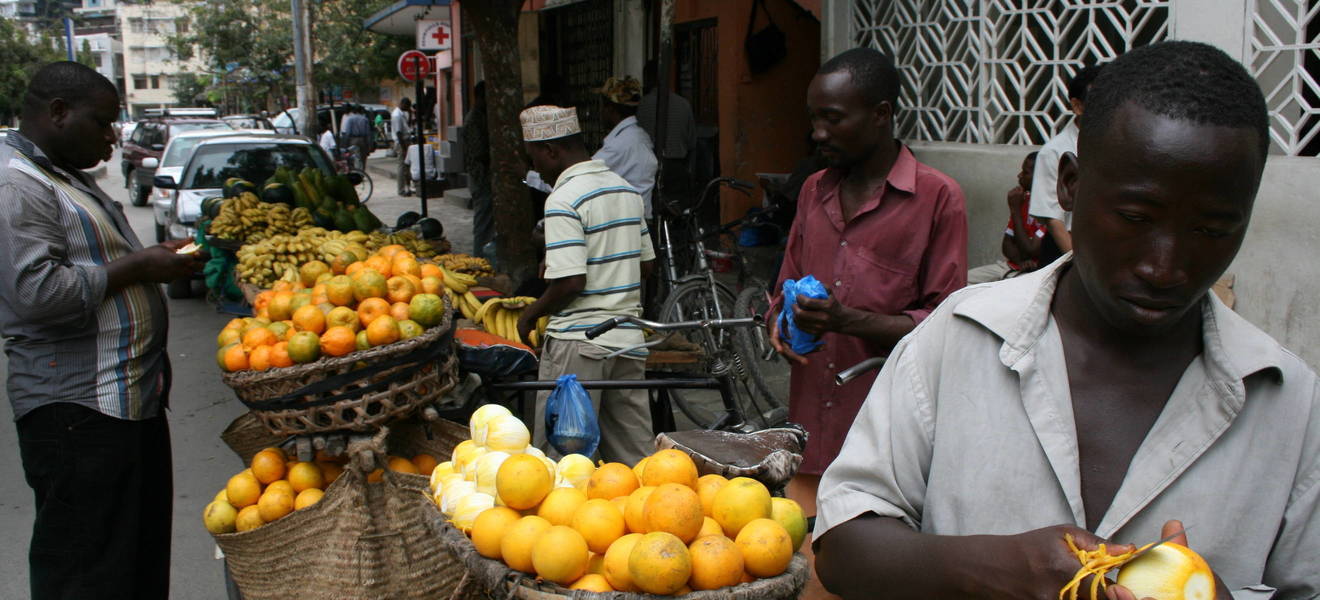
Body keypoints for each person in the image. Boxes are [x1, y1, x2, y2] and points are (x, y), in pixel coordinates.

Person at [814, 41, 1320, 599]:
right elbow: (841, 547)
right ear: (1070, 186)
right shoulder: (957, 336)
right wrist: (993, 568)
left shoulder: (1290, 404)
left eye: (1212, 230)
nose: (1164, 266)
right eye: (1135, 216)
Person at [767, 47, 968, 599]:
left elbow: (946, 326)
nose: (818, 133)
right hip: (811, 434)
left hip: (887, 448)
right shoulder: (814, 190)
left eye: (833, 118)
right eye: (814, 117)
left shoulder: (937, 198)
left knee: (861, 581)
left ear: (880, 114)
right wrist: (779, 323)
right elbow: (784, 286)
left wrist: (847, 320)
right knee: (795, 577)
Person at [0, 61, 204, 600]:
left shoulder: (62, 174)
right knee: (86, 568)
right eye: (103, 122)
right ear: (59, 113)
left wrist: (153, 260)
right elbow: (38, 294)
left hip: (122, 403)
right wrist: (141, 267)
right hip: (78, 414)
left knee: (129, 558)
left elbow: (91, 261)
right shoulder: (17, 184)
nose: (113, 137)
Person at [516, 105, 656, 466]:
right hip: (627, 340)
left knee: (562, 463)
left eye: (534, 157)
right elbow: (647, 264)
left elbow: (571, 282)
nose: (535, 168)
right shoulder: (625, 190)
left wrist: (530, 315)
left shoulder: (562, 200)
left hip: (578, 349)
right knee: (636, 461)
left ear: (551, 151)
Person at [1029, 64, 1103, 264]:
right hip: (1066, 250)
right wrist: (1079, 264)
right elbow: (1054, 220)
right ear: (1078, 106)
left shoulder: (1121, 144)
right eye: (1099, 102)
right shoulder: (1054, 151)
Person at [967, 151, 1045, 283]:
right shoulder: (1023, 200)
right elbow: (1006, 245)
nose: (1019, 176)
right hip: (1012, 266)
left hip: (1034, 273)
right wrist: (1021, 262)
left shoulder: (1050, 207)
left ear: (1038, 177)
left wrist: (1015, 210)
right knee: (962, 280)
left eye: (1025, 173)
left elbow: (1031, 250)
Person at [594, 75, 658, 219]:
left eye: (602, 107)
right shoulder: (637, 136)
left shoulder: (622, 143)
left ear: (609, 109)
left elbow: (581, 177)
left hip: (627, 222)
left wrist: (534, 178)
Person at [637, 60, 698, 201]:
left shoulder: (642, 105)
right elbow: (692, 144)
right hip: (677, 169)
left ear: (648, 78)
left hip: (648, 168)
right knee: (677, 211)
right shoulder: (684, 105)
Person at [464, 82, 494, 259]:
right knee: (483, 223)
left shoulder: (483, 117)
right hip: (480, 178)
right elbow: (479, 153)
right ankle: (480, 258)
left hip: (484, 178)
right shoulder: (474, 119)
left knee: (488, 222)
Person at [340, 104, 374, 172]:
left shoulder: (350, 119)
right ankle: (362, 172)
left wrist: (345, 144)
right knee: (363, 157)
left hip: (352, 140)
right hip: (362, 140)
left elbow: (348, 132)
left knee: (353, 157)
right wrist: (370, 144)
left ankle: (355, 171)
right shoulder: (365, 119)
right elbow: (368, 133)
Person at [392, 98, 414, 195]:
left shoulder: (402, 114)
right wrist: (404, 148)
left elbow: (407, 126)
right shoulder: (397, 115)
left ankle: (408, 187)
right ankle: (401, 190)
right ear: (403, 104)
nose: (408, 108)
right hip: (402, 142)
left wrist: (410, 114)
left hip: (405, 141)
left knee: (406, 166)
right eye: (407, 107)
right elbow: (399, 133)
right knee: (402, 166)